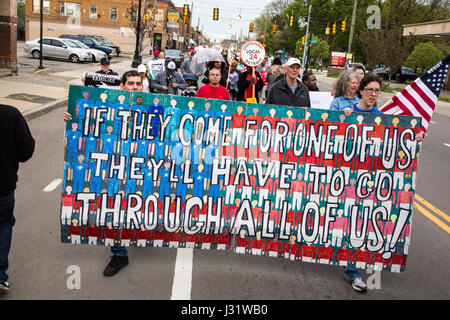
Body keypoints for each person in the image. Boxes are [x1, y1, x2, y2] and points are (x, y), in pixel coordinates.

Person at [64, 70, 143, 277]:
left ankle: (140, 233)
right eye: (130, 84)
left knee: (138, 207)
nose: (134, 87)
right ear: (122, 87)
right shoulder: (110, 108)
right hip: (114, 168)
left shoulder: (153, 109)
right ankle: (119, 254)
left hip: (141, 168)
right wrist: (72, 117)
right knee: (114, 208)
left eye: (138, 84)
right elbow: (88, 125)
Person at [0, 104, 35, 292]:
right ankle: (0, 276)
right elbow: (26, 152)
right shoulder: (10, 114)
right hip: (3, 187)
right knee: (3, 226)